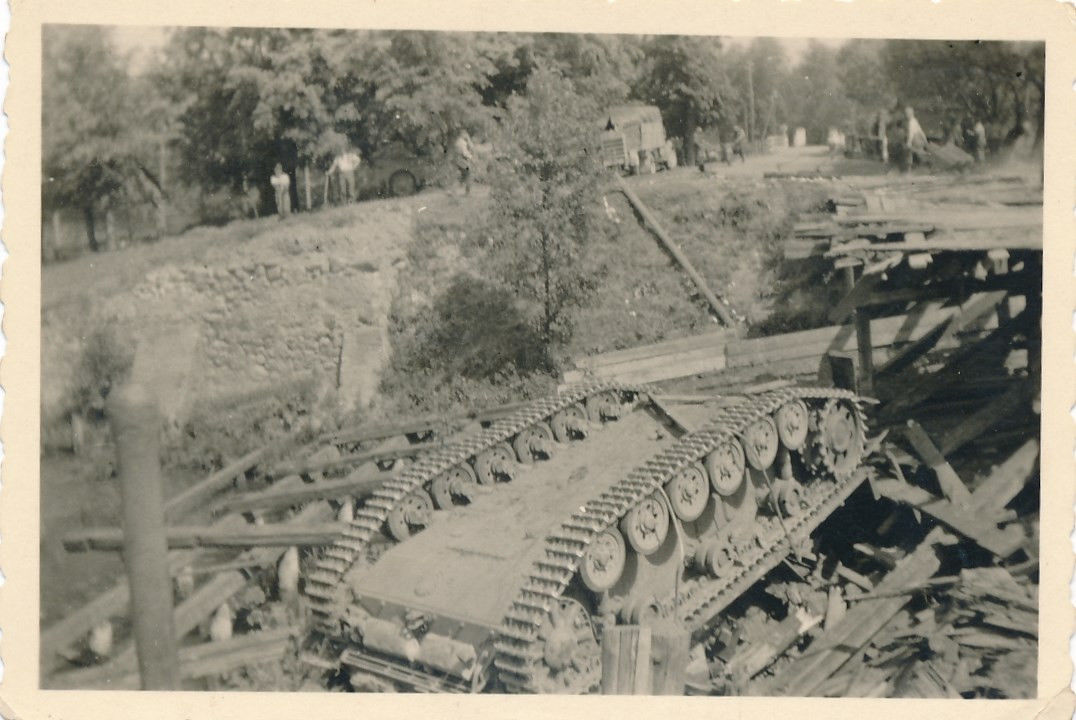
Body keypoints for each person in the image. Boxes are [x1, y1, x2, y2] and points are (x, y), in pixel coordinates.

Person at [902, 106, 928, 173]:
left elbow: (911, 134)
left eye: (906, 114)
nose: (905, 115)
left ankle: (909, 169)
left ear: (910, 114)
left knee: (908, 151)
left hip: (915, 140)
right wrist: (925, 140)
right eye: (905, 113)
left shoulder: (911, 122)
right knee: (915, 152)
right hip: (919, 139)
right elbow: (920, 131)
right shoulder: (915, 120)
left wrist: (909, 142)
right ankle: (919, 164)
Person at [453, 129, 475, 195]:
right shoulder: (462, 142)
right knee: (469, 174)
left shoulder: (457, 141)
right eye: (465, 134)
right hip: (462, 161)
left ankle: (454, 189)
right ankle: (467, 192)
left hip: (457, 160)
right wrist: (471, 157)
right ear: (463, 134)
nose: (466, 135)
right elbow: (465, 153)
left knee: (463, 175)